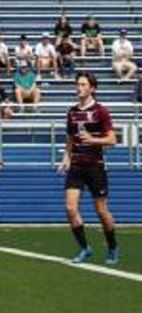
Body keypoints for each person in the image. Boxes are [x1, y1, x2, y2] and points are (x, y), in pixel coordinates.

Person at [60, 72, 119, 265]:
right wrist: (66, 157)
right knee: (70, 208)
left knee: (101, 211)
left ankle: (112, 246)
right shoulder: (71, 112)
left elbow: (112, 139)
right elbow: (70, 138)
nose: (79, 88)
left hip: (95, 166)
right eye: (77, 84)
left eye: (83, 84)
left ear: (92, 88)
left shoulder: (101, 111)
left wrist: (94, 139)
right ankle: (85, 248)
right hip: (76, 165)